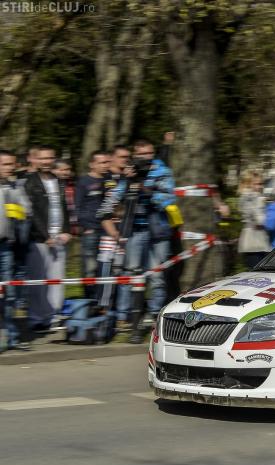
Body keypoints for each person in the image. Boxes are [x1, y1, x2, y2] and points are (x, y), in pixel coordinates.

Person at [98, 139, 176, 335]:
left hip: (157, 232)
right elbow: (116, 194)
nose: (145, 158)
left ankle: (153, 315)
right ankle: (126, 317)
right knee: (131, 272)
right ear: (135, 155)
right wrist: (105, 209)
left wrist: (143, 187)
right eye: (141, 155)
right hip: (135, 230)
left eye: (148, 154)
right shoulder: (130, 171)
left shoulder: (162, 171)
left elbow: (168, 199)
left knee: (157, 276)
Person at [24, 145, 71, 333]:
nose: (46, 162)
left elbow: (64, 208)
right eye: (42, 158)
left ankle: (54, 315)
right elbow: (32, 213)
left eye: (49, 158)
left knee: (57, 279)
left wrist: (66, 230)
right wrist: (45, 236)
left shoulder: (58, 181)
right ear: (35, 160)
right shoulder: (29, 183)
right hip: (39, 239)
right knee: (38, 280)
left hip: (59, 237)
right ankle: (37, 318)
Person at [0, 150, 27, 350]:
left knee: (8, 294)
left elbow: (26, 210)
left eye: (12, 164)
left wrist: (18, 208)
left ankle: (11, 337)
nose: (10, 168)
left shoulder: (15, 187)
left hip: (5, 246)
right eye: (5, 164)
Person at [75, 151, 110, 299]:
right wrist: (84, 226)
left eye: (107, 162)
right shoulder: (83, 182)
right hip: (91, 230)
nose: (105, 165)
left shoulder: (109, 180)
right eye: (102, 162)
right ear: (92, 164)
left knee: (105, 267)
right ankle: (89, 299)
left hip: (107, 230)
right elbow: (77, 206)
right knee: (90, 267)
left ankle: (102, 300)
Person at [238, 171, 270, 268]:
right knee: (256, 272)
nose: (260, 186)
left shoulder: (257, 197)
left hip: (261, 241)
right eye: (256, 184)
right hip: (252, 242)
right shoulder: (248, 198)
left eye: (261, 183)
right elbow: (259, 220)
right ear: (248, 184)